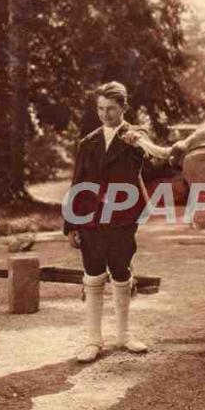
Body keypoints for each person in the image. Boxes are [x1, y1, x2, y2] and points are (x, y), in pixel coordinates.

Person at [64, 81, 149, 363]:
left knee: (122, 273)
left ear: (124, 108)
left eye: (111, 109)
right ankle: (93, 340)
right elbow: (78, 182)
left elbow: (154, 164)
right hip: (91, 220)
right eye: (100, 108)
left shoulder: (136, 140)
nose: (105, 114)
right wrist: (71, 224)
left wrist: (139, 143)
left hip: (122, 218)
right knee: (93, 274)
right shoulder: (88, 142)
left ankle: (123, 336)